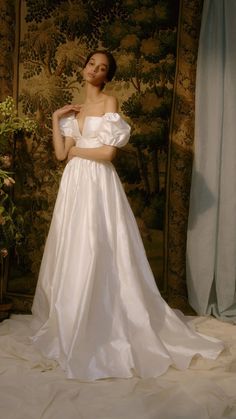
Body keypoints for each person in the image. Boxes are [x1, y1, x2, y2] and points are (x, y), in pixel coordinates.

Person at [30, 50, 224, 381]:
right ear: (84, 67)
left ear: (106, 77)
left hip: (98, 183)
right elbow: (61, 154)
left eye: (102, 68)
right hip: (73, 186)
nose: (95, 70)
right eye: (91, 64)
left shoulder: (110, 102)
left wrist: (76, 149)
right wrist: (55, 118)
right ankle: (73, 319)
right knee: (74, 249)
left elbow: (107, 153)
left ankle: (104, 324)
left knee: (98, 247)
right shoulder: (73, 110)